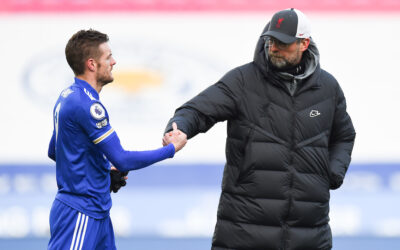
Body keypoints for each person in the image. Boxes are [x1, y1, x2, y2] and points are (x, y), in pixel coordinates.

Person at [164, 8, 355, 250]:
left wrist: (332, 173)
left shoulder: (328, 87)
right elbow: (197, 110)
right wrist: (178, 128)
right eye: (271, 40)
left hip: (308, 233)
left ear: (304, 44)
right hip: (244, 229)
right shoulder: (242, 81)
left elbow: (344, 135)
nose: (274, 47)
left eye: (283, 43)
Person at [47, 29, 187, 250]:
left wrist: (102, 171)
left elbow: (55, 151)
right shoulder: (87, 105)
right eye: (108, 57)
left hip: (96, 211)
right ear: (92, 64)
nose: (114, 61)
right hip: (80, 214)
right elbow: (122, 159)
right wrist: (170, 150)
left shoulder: (68, 96)